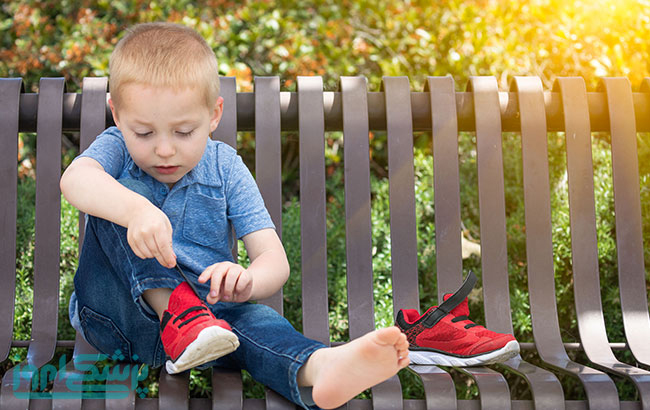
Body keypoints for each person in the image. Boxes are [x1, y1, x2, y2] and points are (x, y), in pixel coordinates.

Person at [60, 22, 409, 409]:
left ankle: (321, 366)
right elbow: (76, 180)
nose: (163, 150)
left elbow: (274, 260)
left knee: (258, 322)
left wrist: (248, 280)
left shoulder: (225, 167)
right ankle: (177, 311)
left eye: (183, 131)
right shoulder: (116, 150)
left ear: (213, 115)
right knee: (118, 194)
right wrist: (137, 210)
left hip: (210, 328)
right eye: (143, 133)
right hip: (118, 318)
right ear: (117, 114)